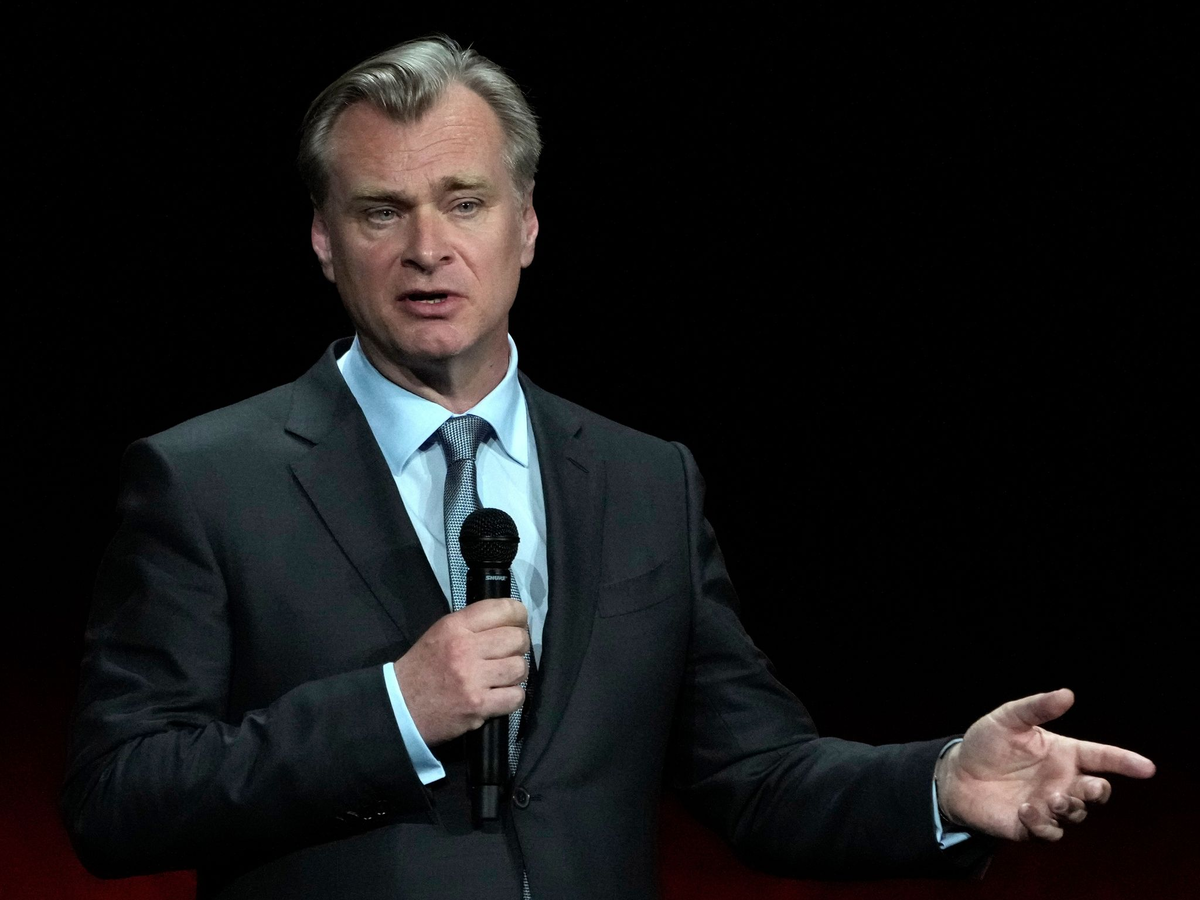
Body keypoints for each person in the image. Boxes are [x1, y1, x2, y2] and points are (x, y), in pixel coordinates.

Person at [62, 36, 1155, 900]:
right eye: (381, 211)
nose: (428, 248)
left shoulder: (644, 482)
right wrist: (392, 712)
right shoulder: (208, 481)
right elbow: (116, 798)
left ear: (528, 225)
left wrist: (941, 786)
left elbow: (755, 773)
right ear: (323, 241)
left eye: (465, 201)